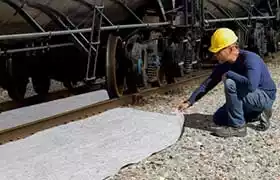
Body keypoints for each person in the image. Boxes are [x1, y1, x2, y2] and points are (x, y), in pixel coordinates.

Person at [177, 28, 277, 137]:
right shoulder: (225, 64)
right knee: (219, 118)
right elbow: (208, 83)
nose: (215, 55)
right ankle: (258, 114)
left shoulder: (251, 59)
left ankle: (238, 127)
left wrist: (230, 74)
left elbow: (251, 86)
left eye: (218, 51)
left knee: (230, 83)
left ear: (231, 48)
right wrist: (190, 101)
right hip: (246, 97)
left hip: (264, 96)